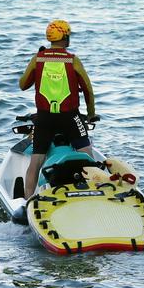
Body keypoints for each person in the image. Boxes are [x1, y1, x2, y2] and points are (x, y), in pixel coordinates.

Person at [16, 19, 98, 200]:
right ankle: (94, 193)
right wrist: (91, 114)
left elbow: (23, 84)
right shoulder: (72, 60)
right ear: (66, 37)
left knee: (36, 161)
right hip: (70, 117)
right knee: (87, 155)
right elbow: (88, 90)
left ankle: (28, 202)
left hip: (44, 118)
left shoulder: (39, 58)